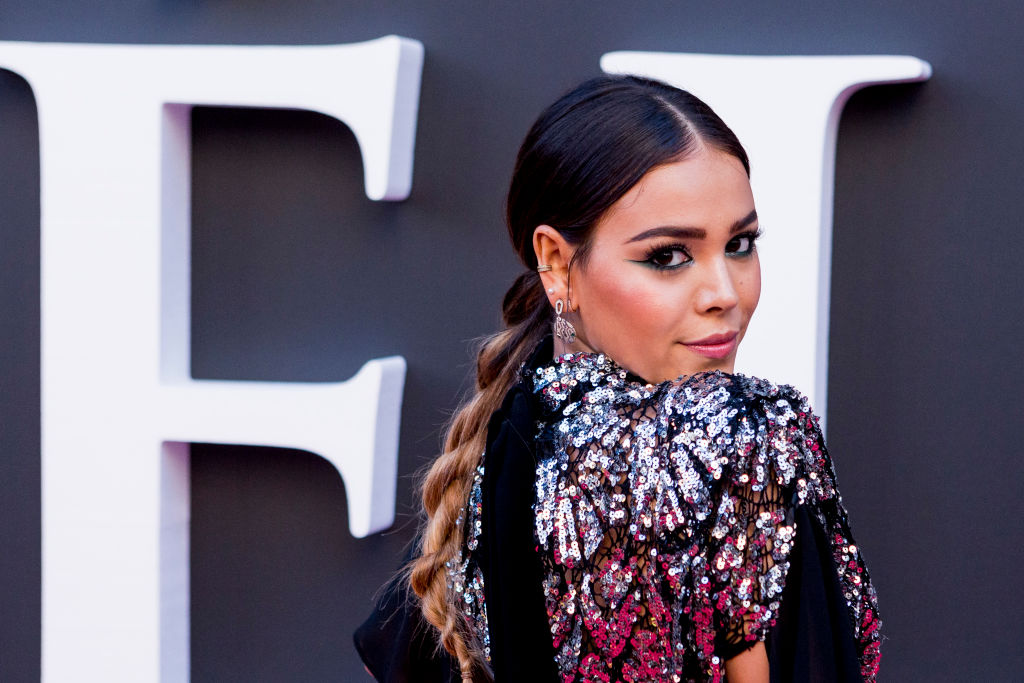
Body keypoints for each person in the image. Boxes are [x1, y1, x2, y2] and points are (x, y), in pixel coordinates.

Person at [355, 75, 881, 683]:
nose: (725, 294)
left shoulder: (491, 460)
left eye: (740, 244)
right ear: (557, 263)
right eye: (668, 256)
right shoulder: (748, 441)